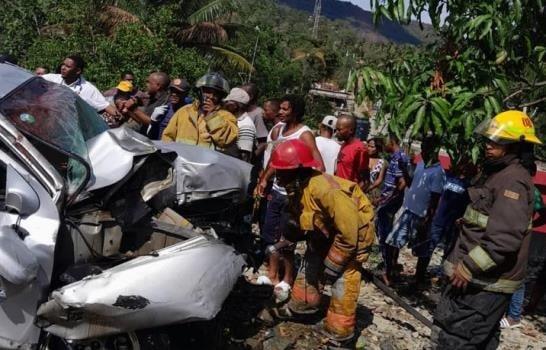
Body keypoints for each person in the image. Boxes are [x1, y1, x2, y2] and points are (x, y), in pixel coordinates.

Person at [434, 110, 542, 349]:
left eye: (497, 141)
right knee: (481, 341)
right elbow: (490, 219)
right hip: (482, 281)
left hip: (484, 284)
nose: (489, 145)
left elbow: (504, 238)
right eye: (489, 139)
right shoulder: (499, 173)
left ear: (515, 146)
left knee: (458, 340)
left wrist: (468, 266)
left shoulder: (512, 181)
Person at [267, 139, 374, 344]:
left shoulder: (326, 190)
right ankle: (303, 305)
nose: (278, 176)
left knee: (342, 280)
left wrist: (332, 266)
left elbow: (349, 235)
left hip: (351, 239)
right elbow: (302, 217)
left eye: (281, 171)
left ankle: (339, 335)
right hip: (326, 234)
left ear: (297, 170)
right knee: (310, 268)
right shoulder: (299, 188)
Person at [256, 95, 324, 301]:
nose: (281, 112)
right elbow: (276, 160)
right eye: (281, 109)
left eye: (285, 109)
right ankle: (272, 274)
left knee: (287, 239)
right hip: (276, 192)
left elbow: (319, 165)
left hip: (292, 197)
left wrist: (302, 185)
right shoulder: (279, 130)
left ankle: (287, 278)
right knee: (271, 235)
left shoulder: (305, 134)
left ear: (295, 111)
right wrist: (265, 180)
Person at [384, 134, 446, 286]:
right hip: (409, 210)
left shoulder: (438, 172)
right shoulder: (421, 163)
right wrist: (405, 171)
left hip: (422, 216)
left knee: (422, 250)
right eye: (423, 147)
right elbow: (412, 183)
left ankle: (418, 279)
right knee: (393, 241)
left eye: (426, 148)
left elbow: (435, 199)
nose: (423, 151)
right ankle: (391, 271)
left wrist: (427, 219)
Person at [162, 72, 238, 154]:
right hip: (180, 163)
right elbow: (168, 136)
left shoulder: (227, 116)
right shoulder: (184, 111)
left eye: (216, 93)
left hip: (206, 166)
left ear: (221, 96)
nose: (211, 96)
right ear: (199, 92)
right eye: (207, 91)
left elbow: (227, 141)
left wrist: (212, 115)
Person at [375, 134, 410, 271]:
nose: (383, 147)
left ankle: (389, 267)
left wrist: (387, 199)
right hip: (389, 200)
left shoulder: (399, 159)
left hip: (390, 202)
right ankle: (390, 264)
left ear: (391, 142)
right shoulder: (397, 157)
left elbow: (401, 183)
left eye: (385, 143)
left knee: (386, 234)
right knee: (387, 233)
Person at [42, 55, 118, 116]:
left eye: (68, 66)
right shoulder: (51, 78)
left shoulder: (88, 89)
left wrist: (118, 117)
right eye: (63, 65)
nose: (63, 68)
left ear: (78, 71)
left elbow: (106, 106)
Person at [334, 114, 369, 189]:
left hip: (348, 194)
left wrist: (353, 196)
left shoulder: (360, 149)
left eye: (339, 129)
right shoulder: (344, 145)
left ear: (351, 130)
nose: (336, 132)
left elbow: (365, 181)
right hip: (338, 190)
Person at [223, 87, 256, 162]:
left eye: (229, 102)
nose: (226, 105)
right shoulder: (233, 120)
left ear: (236, 105)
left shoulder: (246, 125)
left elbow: (244, 156)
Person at [366, 137, 387, 203]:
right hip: (359, 188)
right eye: (368, 146)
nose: (369, 148)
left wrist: (369, 188)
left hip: (372, 193)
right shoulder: (363, 157)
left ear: (378, 149)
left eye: (372, 147)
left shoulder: (382, 162)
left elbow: (379, 179)